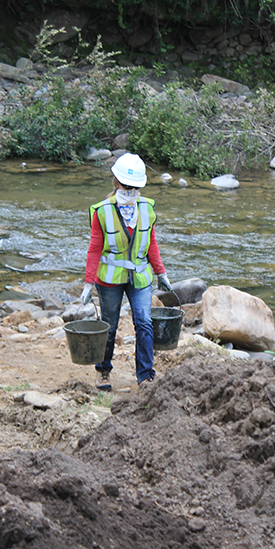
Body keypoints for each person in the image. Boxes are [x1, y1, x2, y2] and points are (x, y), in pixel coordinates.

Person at [79, 153, 172, 391]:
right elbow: (94, 249)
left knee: (144, 322)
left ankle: (146, 377)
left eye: (134, 186)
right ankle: (103, 372)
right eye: (126, 185)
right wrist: (89, 284)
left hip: (140, 277)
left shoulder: (147, 209)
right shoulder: (102, 212)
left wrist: (161, 273)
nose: (130, 189)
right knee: (109, 324)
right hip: (109, 280)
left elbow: (151, 242)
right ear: (116, 183)